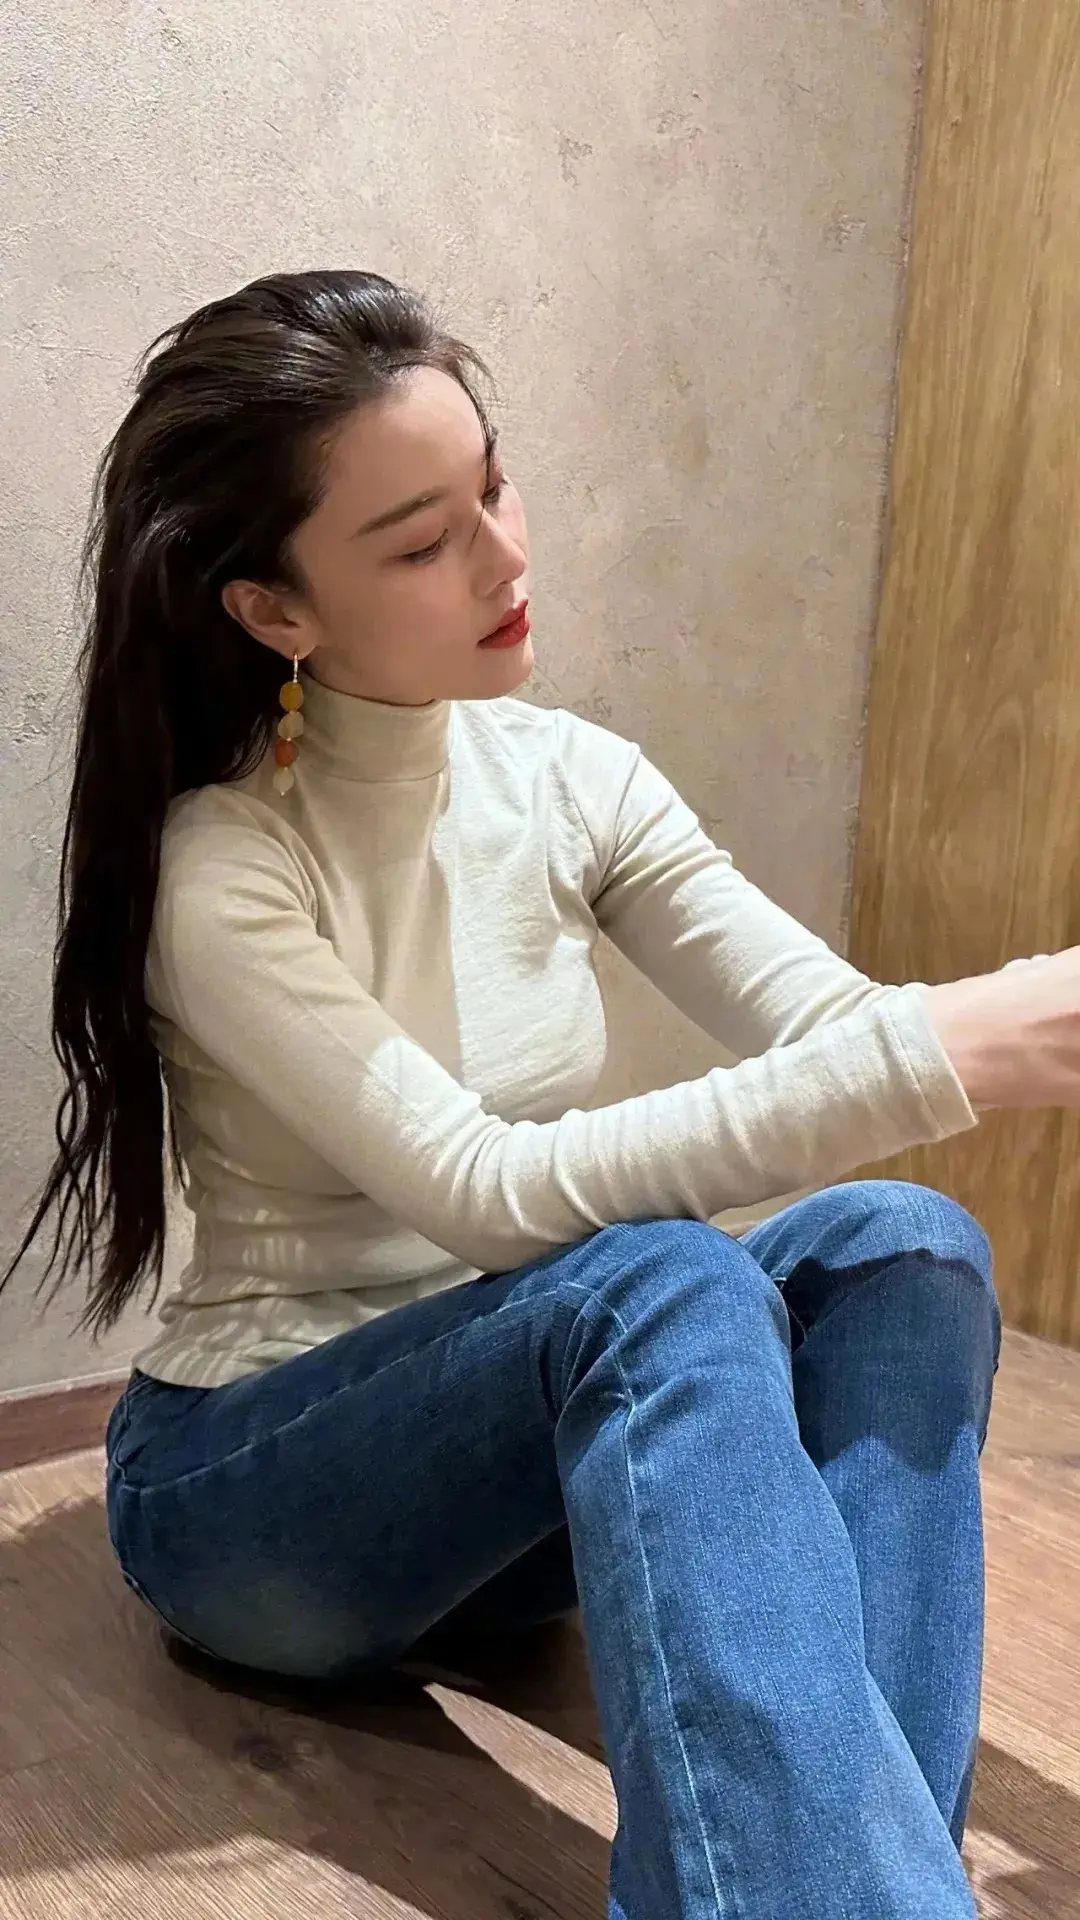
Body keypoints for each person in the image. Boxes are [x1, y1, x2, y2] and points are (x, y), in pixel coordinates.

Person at [6, 268, 1078, 1920]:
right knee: (661, 1282)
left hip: (532, 1496)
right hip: (261, 1501)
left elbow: (839, 1029)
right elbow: (488, 1193)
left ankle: (853, 1886)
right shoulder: (223, 871)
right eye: (420, 544)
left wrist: (984, 1030)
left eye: (495, 486)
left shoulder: (574, 779)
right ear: (275, 611)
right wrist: (950, 1045)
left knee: (903, 1238)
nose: (506, 559)